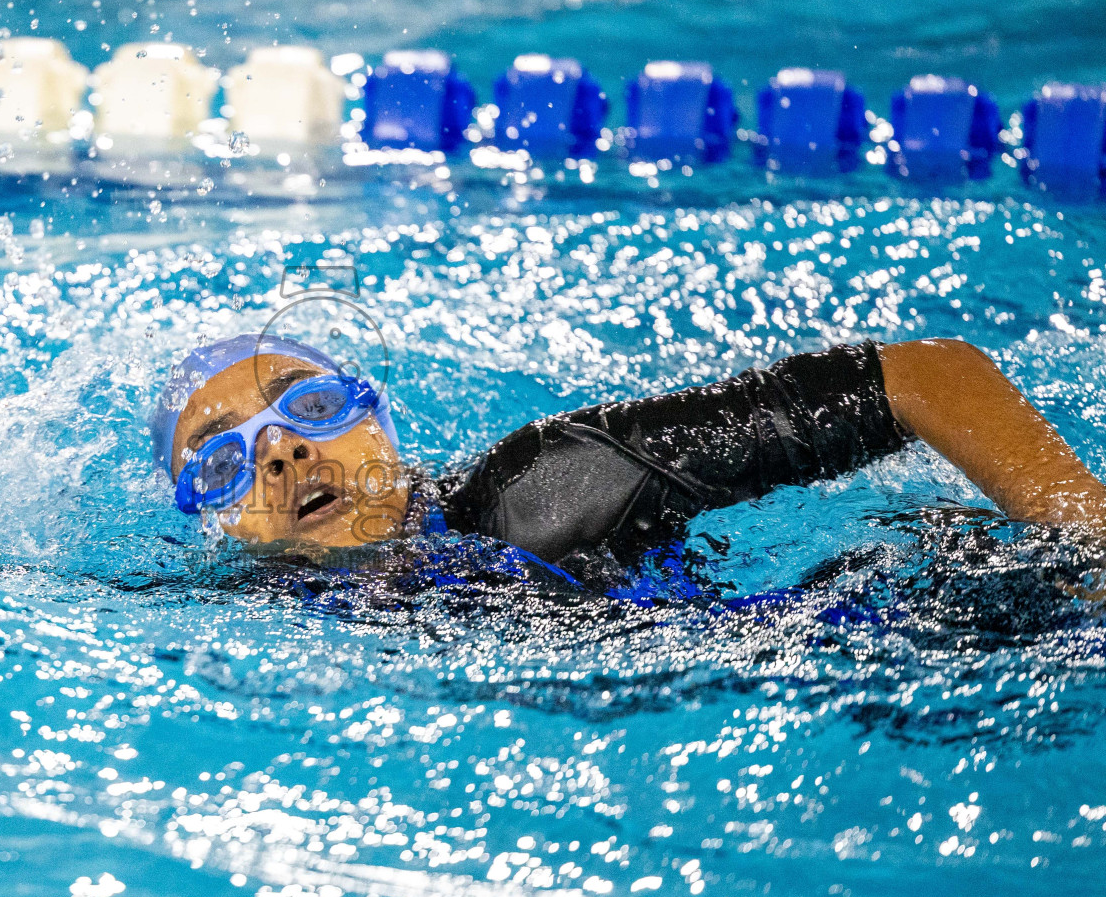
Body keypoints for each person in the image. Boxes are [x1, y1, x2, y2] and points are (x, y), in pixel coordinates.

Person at [149, 333, 1106, 586]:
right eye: (219, 461)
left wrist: (1090, 543)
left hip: (917, 626)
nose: (278, 453)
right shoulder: (243, 612)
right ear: (207, 521)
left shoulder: (543, 488)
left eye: (309, 406)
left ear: (381, 428)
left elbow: (929, 376)